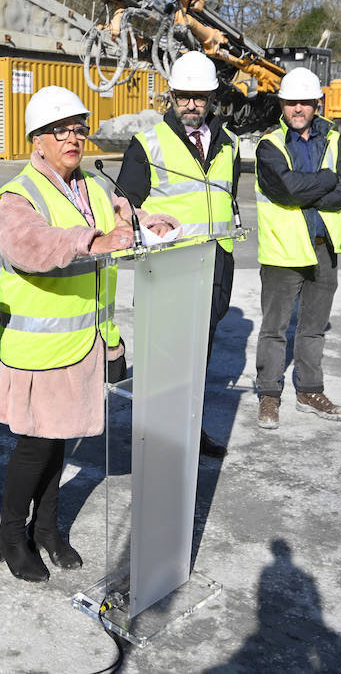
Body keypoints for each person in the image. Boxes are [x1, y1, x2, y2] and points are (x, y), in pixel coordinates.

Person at [0, 86, 176, 583]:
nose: (73, 138)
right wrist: (93, 240)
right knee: (35, 447)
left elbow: (125, 217)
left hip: (85, 341)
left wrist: (153, 225)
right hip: (40, 345)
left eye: (78, 128)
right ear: (38, 140)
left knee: (61, 441)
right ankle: (11, 536)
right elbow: (29, 245)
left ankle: (47, 529)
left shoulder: (91, 184)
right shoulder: (17, 196)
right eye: (61, 130)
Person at [116, 50, 240, 459]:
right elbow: (122, 209)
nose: (191, 104)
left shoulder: (230, 144)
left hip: (215, 266)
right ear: (171, 96)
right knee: (163, 358)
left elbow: (227, 200)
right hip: (168, 269)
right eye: (184, 96)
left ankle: (189, 430)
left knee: (197, 357)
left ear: (212, 98)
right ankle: (154, 437)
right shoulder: (148, 144)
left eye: (200, 97)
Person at [252, 66, 341, 431]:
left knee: (313, 328)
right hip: (283, 252)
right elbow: (286, 188)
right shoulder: (269, 146)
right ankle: (269, 394)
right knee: (275, 329)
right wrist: (327, 181)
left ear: (316, 104)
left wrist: (310, 190)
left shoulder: (334, 141)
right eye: (290, 102)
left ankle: (310, 391)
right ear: (281, 105)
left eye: (305, 102)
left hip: (323, 248)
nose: (297, 108)